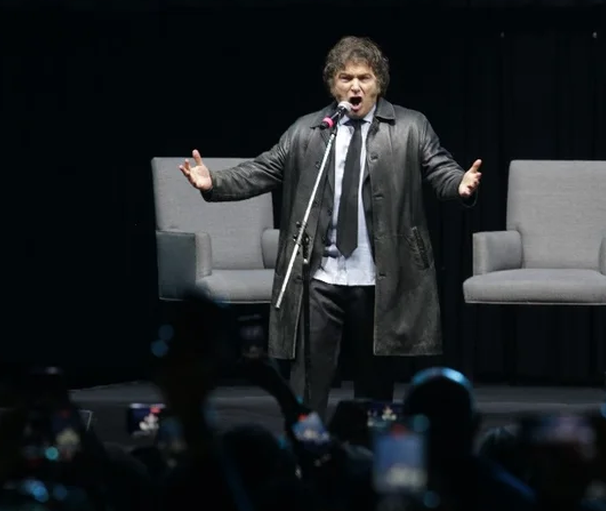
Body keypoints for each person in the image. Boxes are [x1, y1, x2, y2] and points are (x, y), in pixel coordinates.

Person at [179, 36, 482, 417]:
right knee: (308, 381)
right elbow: (263, 169)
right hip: (320, 277)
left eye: (365, 78)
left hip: (379, 278)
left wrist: (459, 184)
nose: (355, 86)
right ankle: (307, 455)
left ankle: (369, 459)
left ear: (379, 84)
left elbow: (440, 168)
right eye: (345, 77)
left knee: (375, 385)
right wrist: (215, 182)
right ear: (333, 84)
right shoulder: (309, 131)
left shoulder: (410, 126)